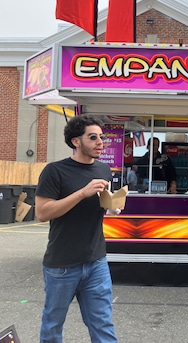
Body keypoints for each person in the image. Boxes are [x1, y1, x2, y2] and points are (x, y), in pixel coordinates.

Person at [35, 114, 118, 343]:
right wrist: (82, 193)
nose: (100, 142)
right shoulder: (55, 171)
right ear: (76, 142)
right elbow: (42, 213)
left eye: (101, 137)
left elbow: (99, 205)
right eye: (93, 137)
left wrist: (111, 207)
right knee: (53, 325)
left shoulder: (103, 170)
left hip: (96, 261)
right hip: (61, 265)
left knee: (103, 325)